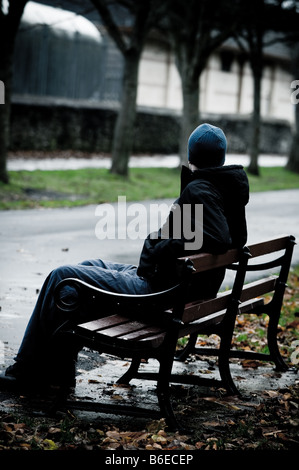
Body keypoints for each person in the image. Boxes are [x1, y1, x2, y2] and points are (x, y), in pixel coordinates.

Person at [0, 123, 249, 393]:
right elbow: (224, 238)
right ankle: (58, 373)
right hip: (177, 287)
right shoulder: (226, 189)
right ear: (220, 158)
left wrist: (160, 246)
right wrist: (166, 243)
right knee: (88, 267)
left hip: (161, 293)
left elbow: (216, 238)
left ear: (192, 156)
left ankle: (25, 370)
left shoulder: (201, 188)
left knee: (62, 276)